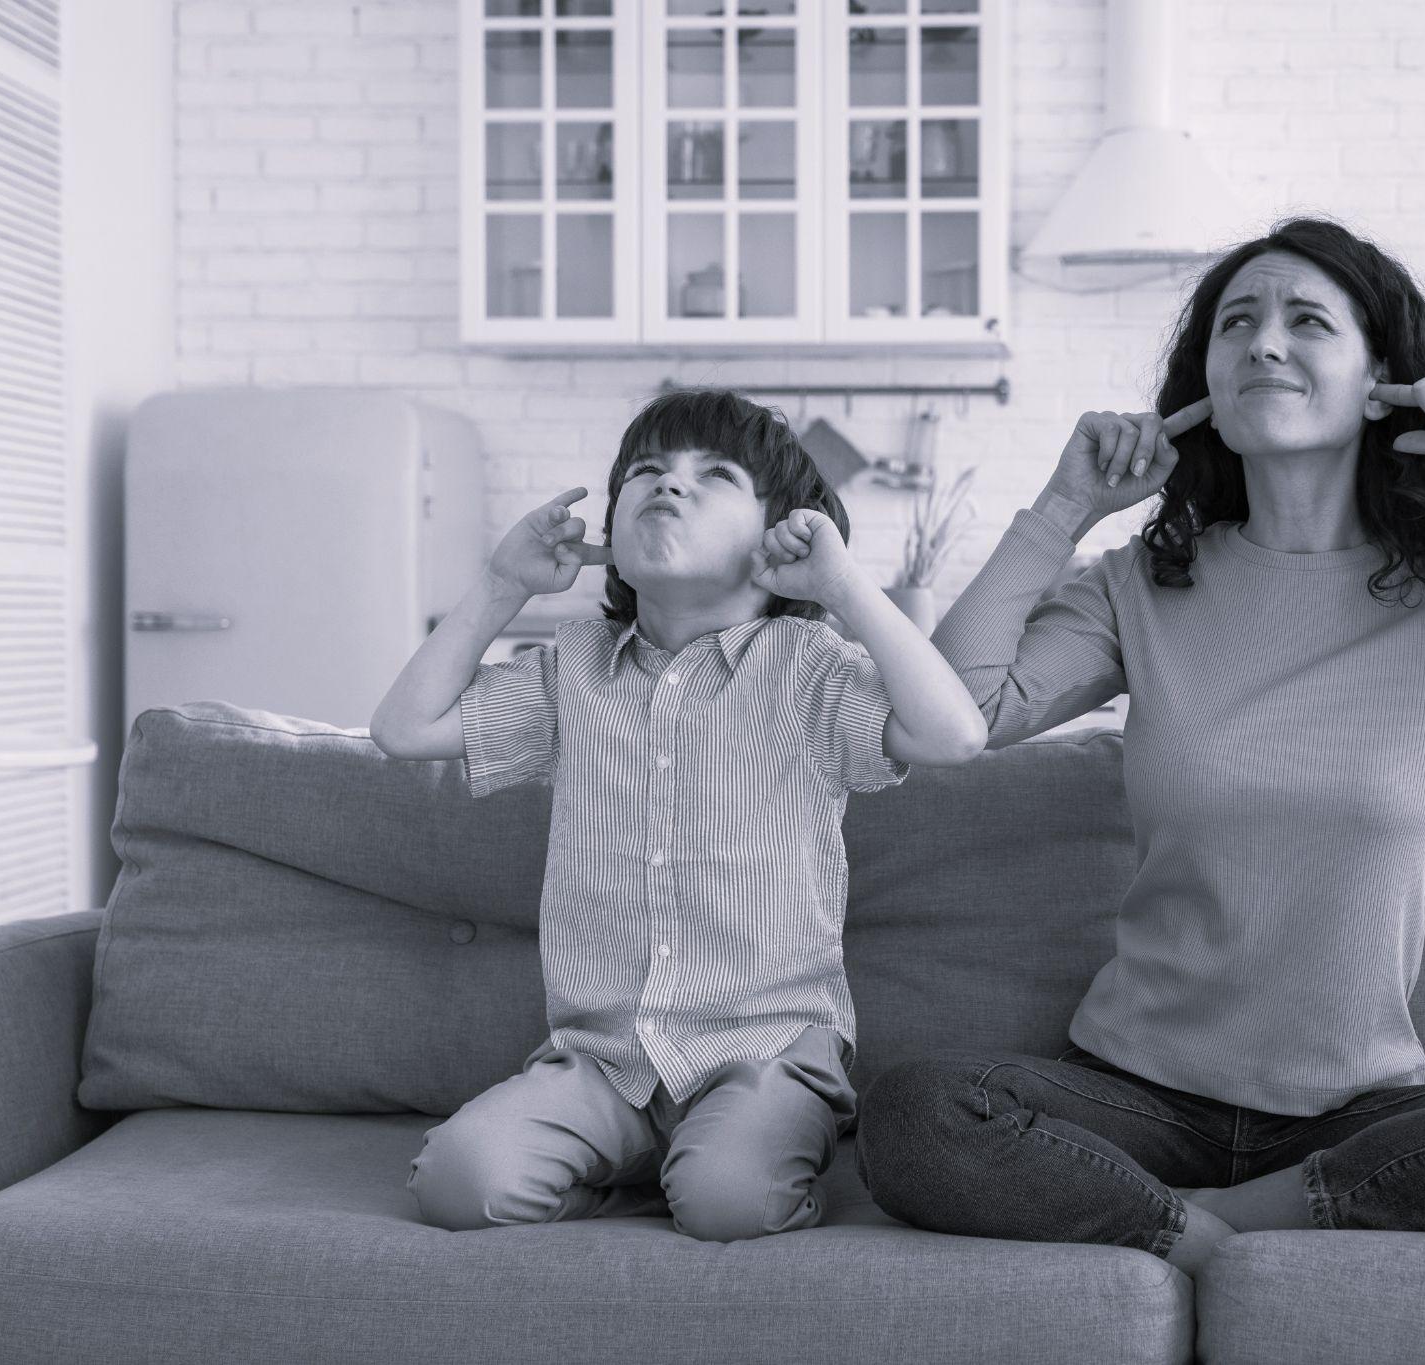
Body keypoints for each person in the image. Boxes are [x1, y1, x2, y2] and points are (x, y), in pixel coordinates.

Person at [854, 217, 1425, 1273]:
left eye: (1307, 321)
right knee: (919, 1114)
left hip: (1350, 1112)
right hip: (1132, 1094)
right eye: (1235, 324)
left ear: (1381, 376)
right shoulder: (1142, 585)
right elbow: (956, 717)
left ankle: (1201, 1229)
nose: (1263, 344)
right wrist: (1065, 506)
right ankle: (1221, 1218)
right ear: (1201, 377)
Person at [371, 388, 987, 1242]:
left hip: (766, 1048)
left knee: (729, 1200)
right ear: (613, 539)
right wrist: (501, 584)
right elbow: (402, 731)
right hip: (603, 1061)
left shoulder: (809, 667)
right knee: (456, 1182)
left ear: (780, 537)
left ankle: (746, 1147)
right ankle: (647, 1169)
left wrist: (843, 587)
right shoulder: (572, 668)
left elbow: (954, 736)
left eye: (715, 475)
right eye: (648, 472)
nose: (670, 485)